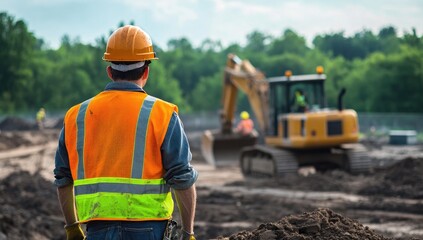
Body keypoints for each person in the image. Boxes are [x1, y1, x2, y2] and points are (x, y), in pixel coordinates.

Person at [53, 25, 198, 240]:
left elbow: (63, 178)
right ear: (146, 71)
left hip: (96, 229)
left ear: (109, 71)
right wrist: (188, 233)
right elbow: (183, 178)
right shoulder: (162, 114)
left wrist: (72, 226)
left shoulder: (77, 115)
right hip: (149, 230)